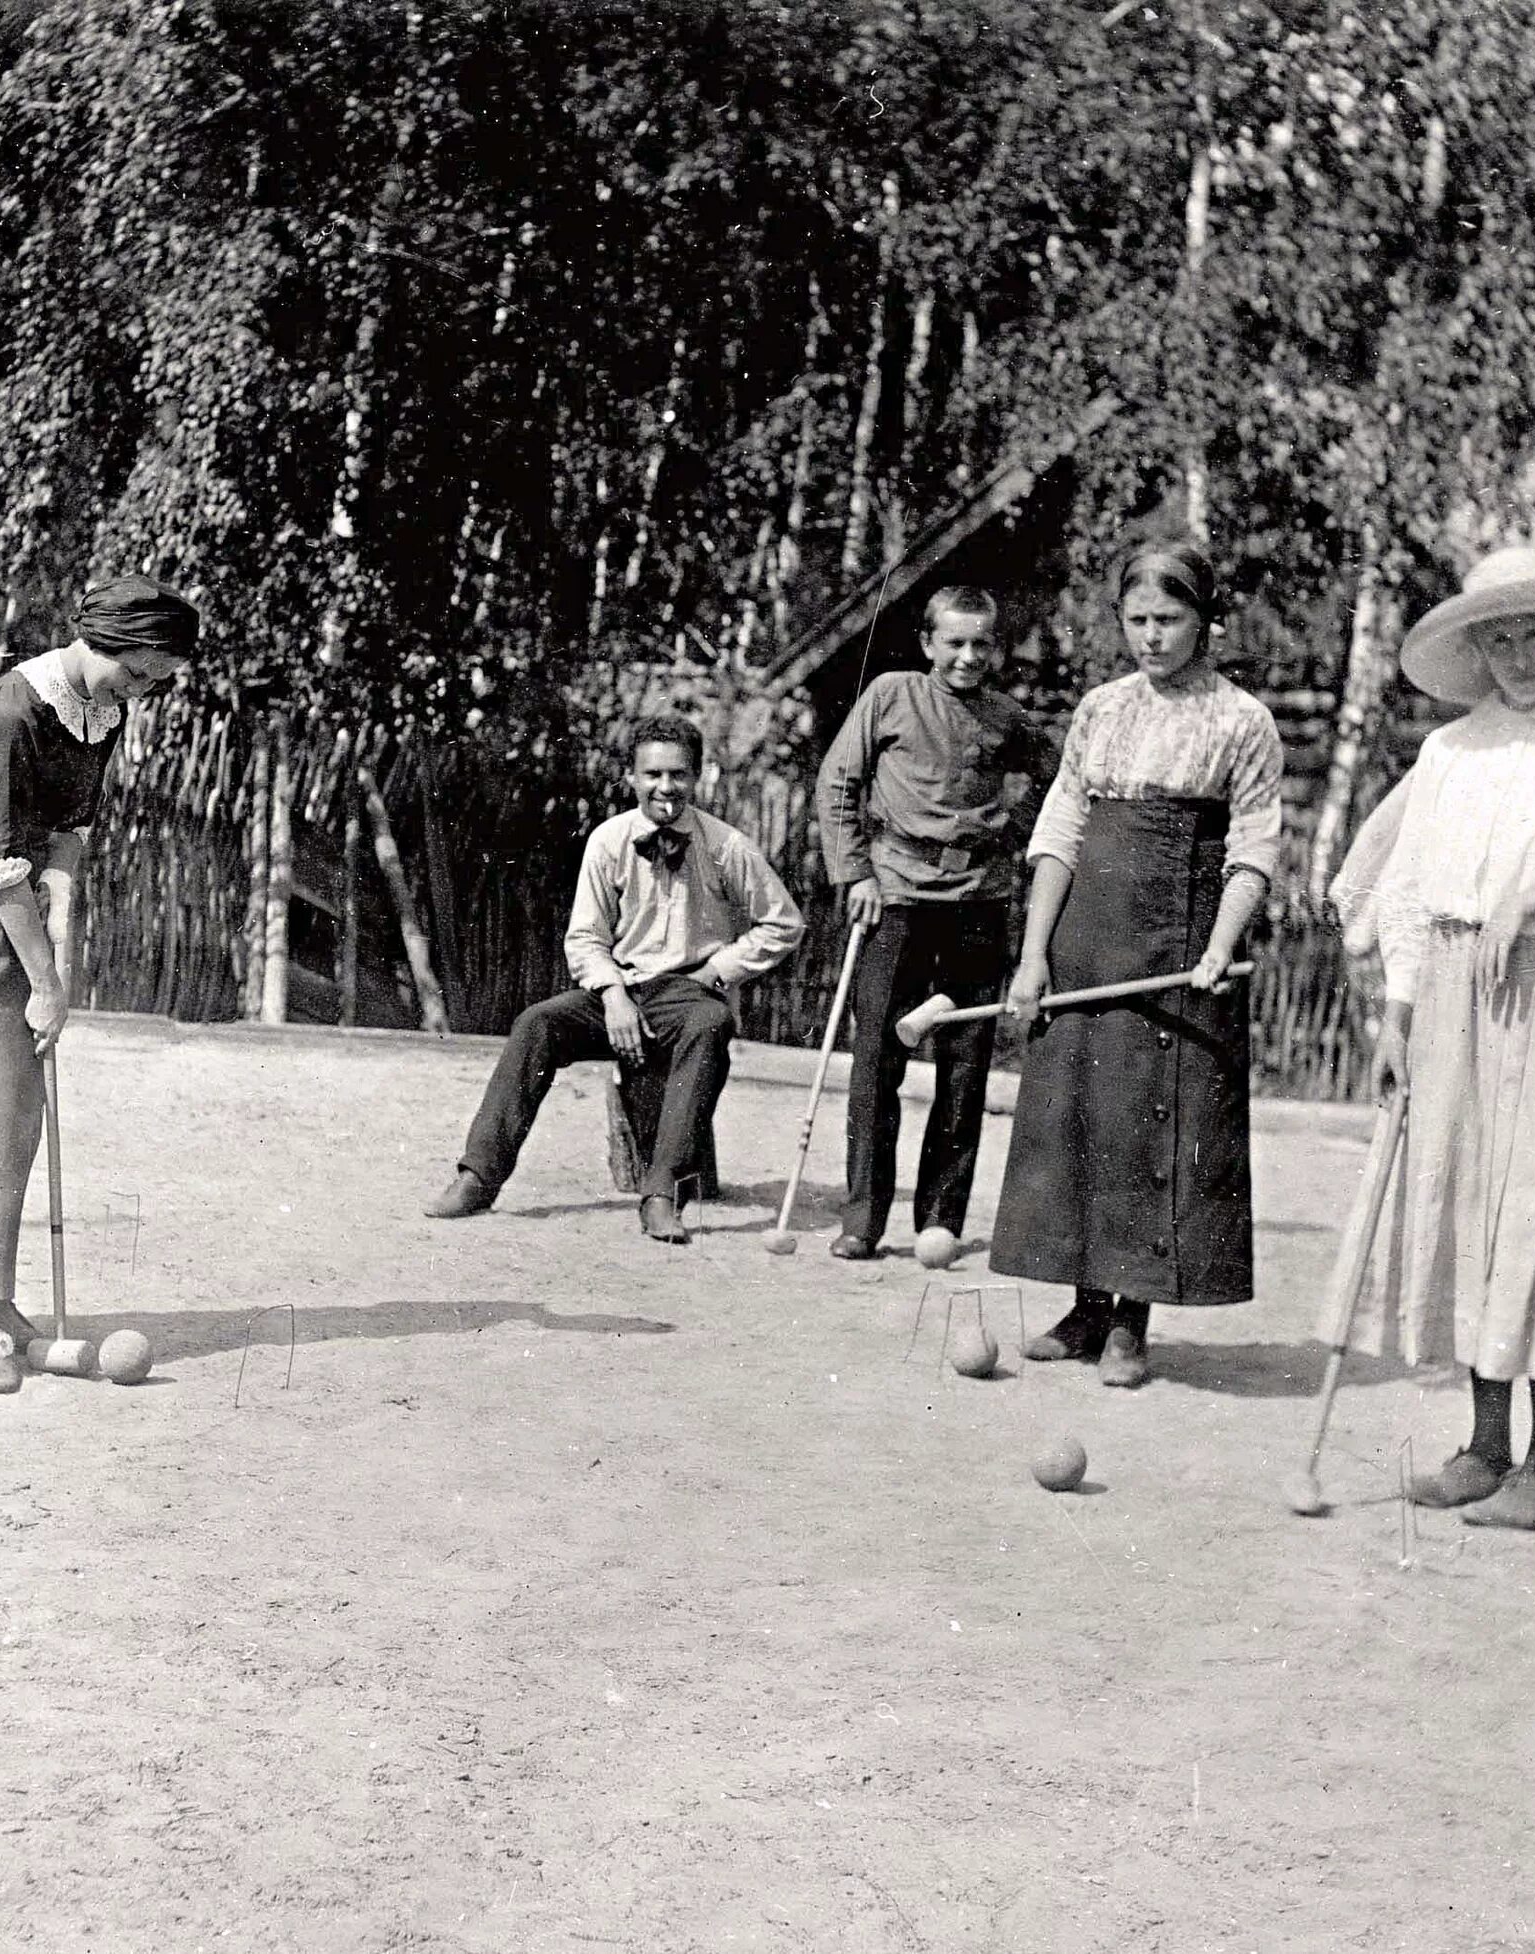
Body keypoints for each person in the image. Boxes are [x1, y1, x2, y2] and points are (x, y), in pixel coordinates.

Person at [1326, 543, 1535, 1532]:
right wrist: (1396, 1014)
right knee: (1471, 1208)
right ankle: (1483, 1446)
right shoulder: (1448, 753)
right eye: (1501, 636)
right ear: (1478, 648)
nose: (1520, 655)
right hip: (1450, 1004)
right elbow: (1405, 893)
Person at [0, 572, 200, 1392]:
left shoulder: (105, 712)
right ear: (108, 641)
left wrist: (65, 942)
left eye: (159, 679)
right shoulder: (17, 711)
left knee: (14, 1104)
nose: (145, 688)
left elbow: (70, 841)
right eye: (142, 669)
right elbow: (0, 867)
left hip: (12, 899)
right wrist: (43, 982)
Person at [988, 542, 1284, 1387]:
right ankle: (1085, 1310)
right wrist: (1034, 955)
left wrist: (1220, 946)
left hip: (1180, 942)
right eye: (1138, 621)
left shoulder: (1240, 721)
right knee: (1081, 1113)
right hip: (1088, 934)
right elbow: (1060, 834)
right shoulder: (1101, 709)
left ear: (1205, 621)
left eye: (1171, 620)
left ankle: (1131, 1320)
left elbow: (1255, 846)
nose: (1152, 637)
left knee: (1151, 1123)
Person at [425, 712, 802, 1245]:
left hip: (688, 994)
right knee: (537, 1024)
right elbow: (584, 937)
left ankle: (661, 1194)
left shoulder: (726, 847)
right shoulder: (609, 841)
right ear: (632, 776)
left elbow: (784, 923)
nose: (665, 788)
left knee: (711, 1023)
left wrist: (718, 971)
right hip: (617, 989)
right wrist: (613, 995)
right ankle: (478, 1177)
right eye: (652, 775)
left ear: (698, 778)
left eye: (678, 775)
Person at [813, 585, 1051, 1264]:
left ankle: (941, 1219)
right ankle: (862, 1219)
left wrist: (1013, 833)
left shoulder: (1008, 717)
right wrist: (854, 873)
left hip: (979, 902)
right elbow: (838, 782)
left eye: (981, 643)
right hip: (896, 897)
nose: (969, 656)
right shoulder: (891, 695)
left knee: (966, 1067)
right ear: (928, 644)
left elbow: (1054, 783)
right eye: (955, 642)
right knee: (877, 1065)